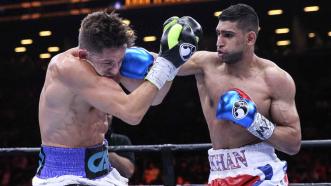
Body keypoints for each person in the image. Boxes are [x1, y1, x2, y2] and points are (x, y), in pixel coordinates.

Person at [32, 9, 200, 186]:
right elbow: (132, 113)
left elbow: (155, 97)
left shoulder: (108, 59)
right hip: (63, 176)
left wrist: (171, 61)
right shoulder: (66, 68)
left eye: (120, 61)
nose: (115, 70)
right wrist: (164, 64)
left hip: (102, 171)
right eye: (109, 63)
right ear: (83, 55)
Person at [176, 4, 301, 185]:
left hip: (262, 173)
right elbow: (152, 65)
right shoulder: (205, 64)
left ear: (250, 38)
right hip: (218, 172)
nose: (219, 41)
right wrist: (168, 50)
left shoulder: (274, 78)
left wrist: (252, 121)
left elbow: (293, 143)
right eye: (218, 33)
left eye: (228, 35)